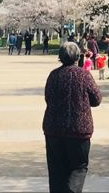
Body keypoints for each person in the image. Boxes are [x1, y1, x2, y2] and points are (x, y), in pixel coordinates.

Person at [43, 42, 102, 193]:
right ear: (77, 57)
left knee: (56, 171)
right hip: (79, 130)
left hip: (54, 129)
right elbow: (97, 99)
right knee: (78, 167)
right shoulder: (84, 75)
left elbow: (48, 98)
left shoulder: (53, 75)